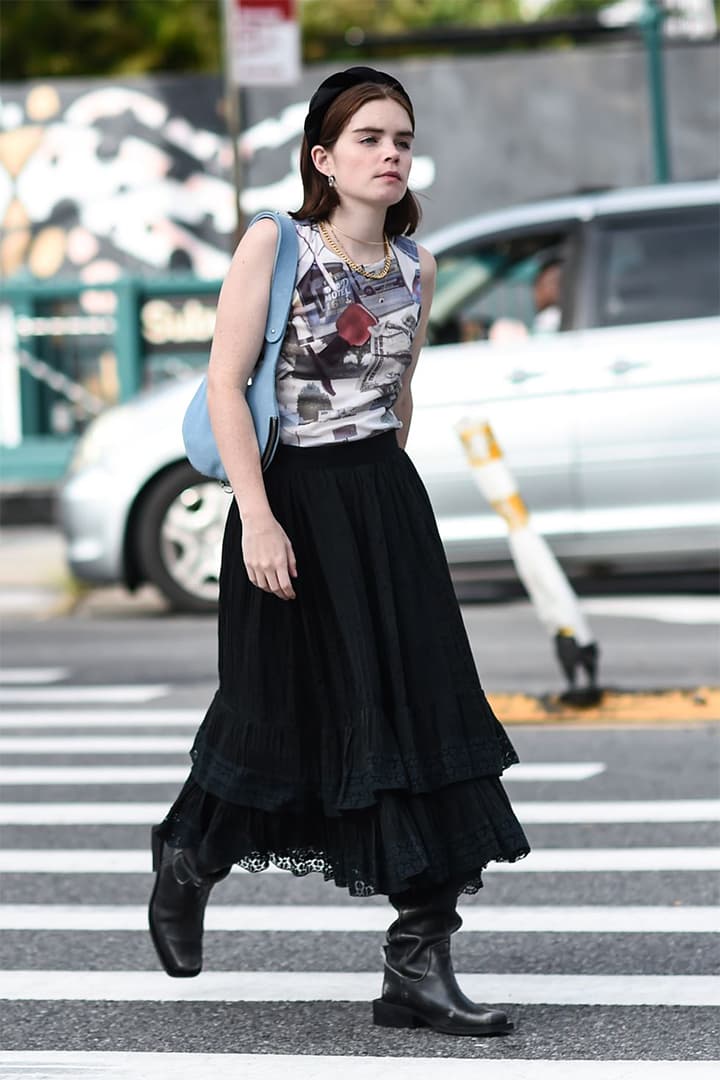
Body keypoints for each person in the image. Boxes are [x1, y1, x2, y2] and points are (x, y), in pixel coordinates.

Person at [148, 66, 530, 1037]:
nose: (389, 153)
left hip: (383, 505)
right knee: (277, 712)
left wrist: (384, 511)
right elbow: (229, 386)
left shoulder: (419, 267)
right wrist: (261, 517)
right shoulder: (277, 244)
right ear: (323, 157)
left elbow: (397, 395)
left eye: (400, 137)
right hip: (290, 501)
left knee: (421, 713)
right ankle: (189, 858)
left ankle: (418, 962)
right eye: (367, 137)